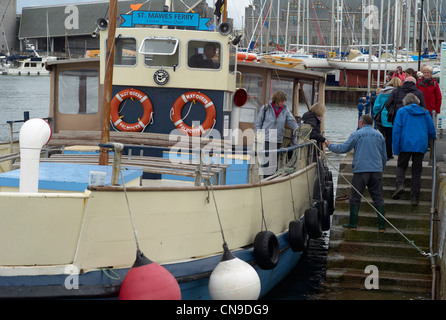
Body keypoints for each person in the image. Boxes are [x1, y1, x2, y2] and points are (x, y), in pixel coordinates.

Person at [325, 114, 387, 232]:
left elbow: (344, 148)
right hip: (376, 170)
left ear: (361, 122)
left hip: (361, 171)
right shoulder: (380, 135)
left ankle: (353, 224)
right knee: (378, 198)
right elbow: (384, 156)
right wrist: (381, 169)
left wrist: (330, 145)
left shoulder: (357, 134)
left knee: (355, 197)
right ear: (372, 123)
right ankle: (382, 226)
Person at [392, 93, 437, 206]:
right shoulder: (425, 112)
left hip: (405, 143)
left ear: (405, 102)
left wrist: (396, 149)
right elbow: (431, 129)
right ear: (417, 102)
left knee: (402, 166)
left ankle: (399, 185)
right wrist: (432, 136)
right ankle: (415, 197)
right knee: (417, 171)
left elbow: (396, 131)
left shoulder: (402, 112)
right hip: (420, 144)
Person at [254, 90, 299, 177]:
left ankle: (270, 178)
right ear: (276, 100)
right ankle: (265, 179)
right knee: (267, 160)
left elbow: (291, 121)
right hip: (266, 138)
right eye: (282, 101)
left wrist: (297, 129)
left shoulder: (285, 110)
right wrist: (258, 136)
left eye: (284, 101)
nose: (283, 103)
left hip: (277, 139)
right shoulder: (265, 108)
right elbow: (258, 123)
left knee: (274, 161)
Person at [373, 77, 402, 160]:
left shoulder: (382, 92)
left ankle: (388, 154)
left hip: (384, 117)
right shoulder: (399, 93)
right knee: (396, 136)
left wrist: (378, 114)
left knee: (387, 137)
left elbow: (376, 106)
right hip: (396, 117)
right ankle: (398, 153)